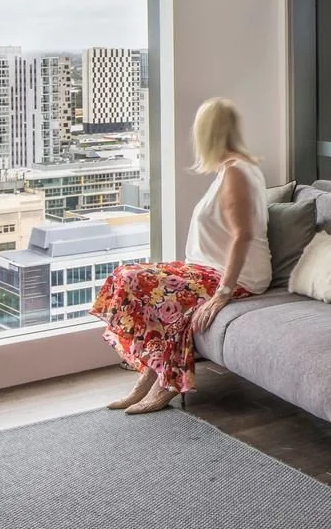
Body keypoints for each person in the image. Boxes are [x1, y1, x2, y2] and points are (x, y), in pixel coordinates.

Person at [91, 97, 272, 414]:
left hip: (234, 277)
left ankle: (167, 381)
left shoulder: (236, 174)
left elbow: (242, 235)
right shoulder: (234, 169)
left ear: (208, 133)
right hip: (208, 269)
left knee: (150, 288)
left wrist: (222, 294)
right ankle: (151, 371)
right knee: (129, 278)